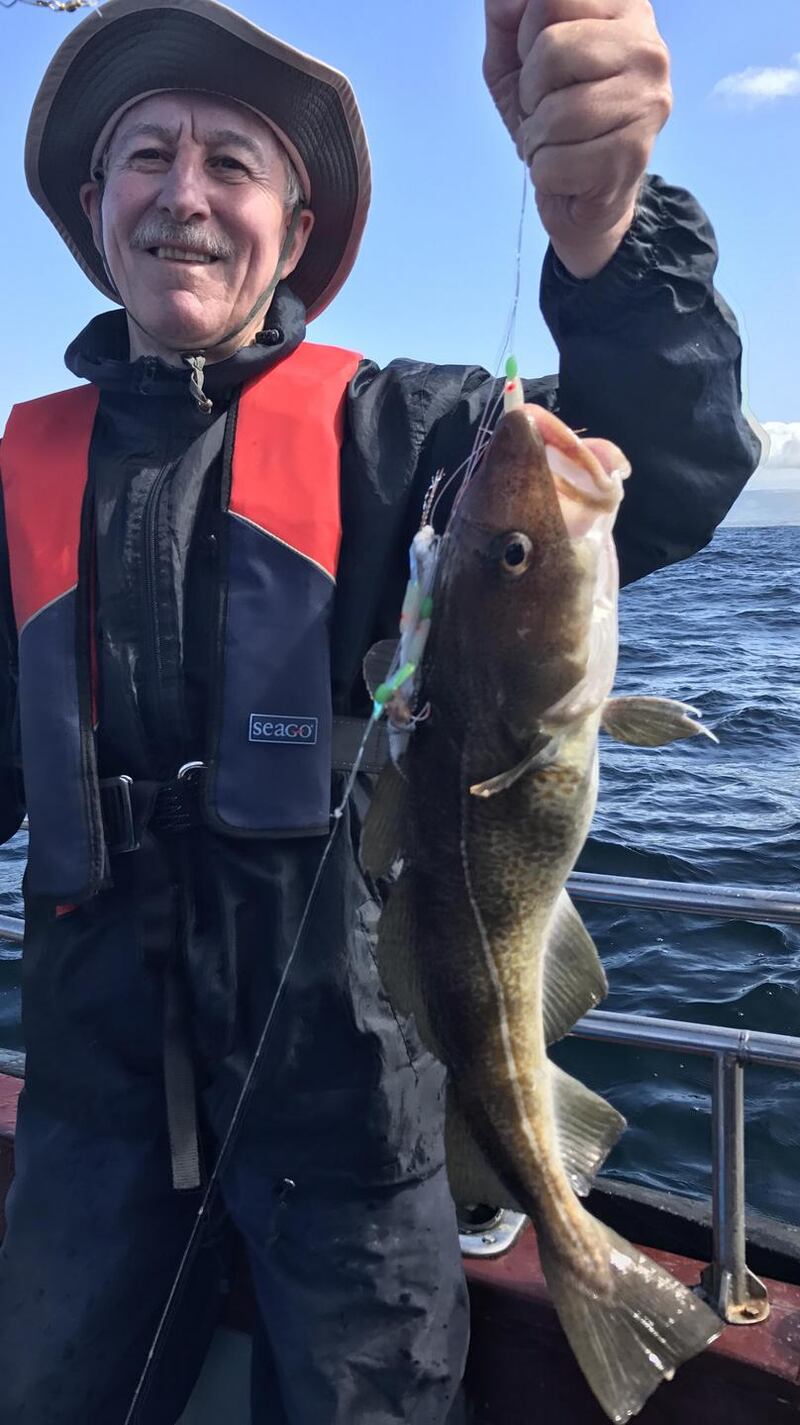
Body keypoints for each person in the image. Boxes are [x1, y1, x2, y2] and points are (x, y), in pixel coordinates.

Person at [0, 0, 758, 1421]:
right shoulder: (16, 483)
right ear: (96, 207)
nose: (185, 190)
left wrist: (606, 233)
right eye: (147, 153)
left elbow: (657, 463)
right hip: (86, 1141)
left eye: (233, 159)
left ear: (295, 228)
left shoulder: (413, 438)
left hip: (360, 1141)